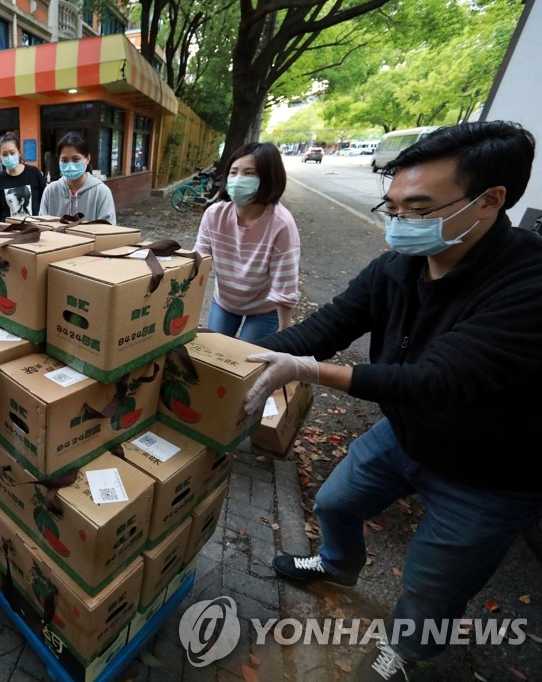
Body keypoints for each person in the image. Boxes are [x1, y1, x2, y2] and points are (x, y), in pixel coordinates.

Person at [242, 121, 542, 682]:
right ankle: (336, 565)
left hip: (490, 472)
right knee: (335, 502)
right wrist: (234, 356)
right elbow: (330, 324)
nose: (401, 222)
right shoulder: (398, 266)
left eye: (420, 208)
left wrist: (308, 371)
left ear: (490, 201)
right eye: (394, 205)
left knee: (432, 582)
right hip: (406, 434)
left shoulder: (528, 284)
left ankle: (409, 651)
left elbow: (435, 379)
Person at [193, 142, 299, 342]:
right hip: (225, 302)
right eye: (233, 172)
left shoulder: (281, 224)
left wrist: (285, 337)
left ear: (268, 178)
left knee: (246, 361)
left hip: (264, 309)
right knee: (215, 352)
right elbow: (200, 259)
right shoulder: (214, 215)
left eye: (249, 173)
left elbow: (285, 288)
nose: (238, 179)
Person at [39, 132, 117, 223]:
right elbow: (43, 225)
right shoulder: (50, 191)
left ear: (87, 159)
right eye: (64, 160)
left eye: (76, 159)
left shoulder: (101, 192)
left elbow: (109, 230)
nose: (70, 165)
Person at [0, 132, 45, 221]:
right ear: (0, 155)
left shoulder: (34, 173)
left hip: (35, 230)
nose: (9, 157)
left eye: (12, 152)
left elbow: (44, 203)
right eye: (5, 154)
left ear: (19, 152)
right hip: (9, 232)